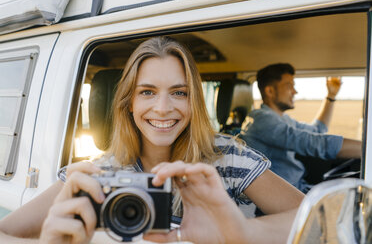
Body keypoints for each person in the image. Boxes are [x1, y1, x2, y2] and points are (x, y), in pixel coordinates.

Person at [0, 37, 303, 243]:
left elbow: (312, 216)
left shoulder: (226, 157)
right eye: (147, 92)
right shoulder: (97, 174)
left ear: (193, 102)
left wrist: (240, 232)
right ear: (128, 103)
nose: (162, 108)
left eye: (179, 92)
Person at [241, 63, 361, 193]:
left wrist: (330, 96)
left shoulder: (282, 119)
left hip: (298, 187)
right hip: (285, 196)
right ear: (269, 91)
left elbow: (317, 131)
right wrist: (366, 149)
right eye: (289, 86)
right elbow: (310, 142)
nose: (295, 91)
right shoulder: (261, 120)